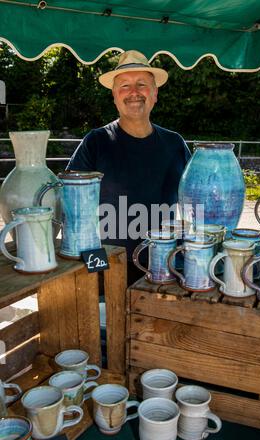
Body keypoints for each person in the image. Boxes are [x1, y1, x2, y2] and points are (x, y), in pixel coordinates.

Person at [67, 50, 191, 285]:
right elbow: (74, 215)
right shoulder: (96, 142)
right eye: (124, 85)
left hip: (163, 271)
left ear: (155, 94)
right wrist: (97, 274)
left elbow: (194, 207)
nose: (134, 92)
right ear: (114, 96)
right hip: (108, 274)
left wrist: (187, 258)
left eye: (142, 84)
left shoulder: (176, 144)